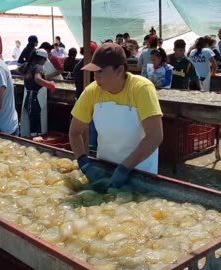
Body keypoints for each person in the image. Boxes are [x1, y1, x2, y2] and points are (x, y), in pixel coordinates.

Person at [69, 43, 163, 193]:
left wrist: (125, 168)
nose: (95, 76)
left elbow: (155, 136)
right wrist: (84, 163)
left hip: (140, 172)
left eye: (100, 71)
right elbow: (75, 132)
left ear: (120, 70)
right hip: (106, 169)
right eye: (94, 71)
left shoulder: (141, 89)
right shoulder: (92, 91)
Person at [20, 49, 56, 137]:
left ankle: (30, 140)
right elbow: (37, 79)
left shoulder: (26, 65)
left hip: (27, 98)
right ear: (42, 59)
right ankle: (37, 143)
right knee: (37, 123)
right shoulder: (39, 67)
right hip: (36, 99)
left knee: (30, 122)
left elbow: (18, 70)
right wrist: (50, 84)